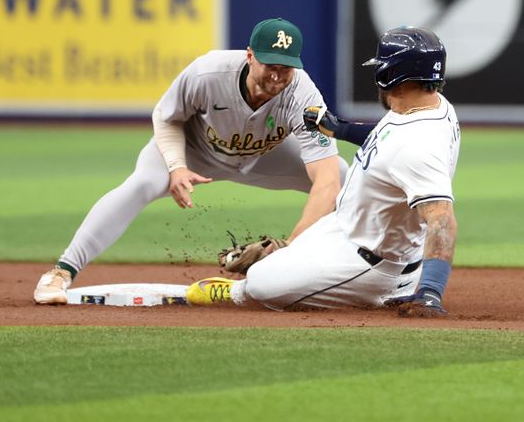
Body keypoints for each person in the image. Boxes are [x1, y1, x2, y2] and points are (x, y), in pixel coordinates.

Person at [34, 18, 347, 304]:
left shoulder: (303, 95)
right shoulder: (208, 73)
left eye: (286, 67)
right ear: (250, 56)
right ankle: (61, 272)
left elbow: (327, 180)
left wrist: (288, 249)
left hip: (263, 157)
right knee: (142, 183)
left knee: (344, 178)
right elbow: (166, 117)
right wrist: (175, 166)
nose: (278, 76)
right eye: (269, 65)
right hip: (194, 150)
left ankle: (363, 272)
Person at [185, 27, 460, 317]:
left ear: (390, 75)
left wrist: (429, 293)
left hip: (369, 260)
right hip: (350, 230)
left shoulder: (417, 147)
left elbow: (442, 219)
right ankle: (384, 279)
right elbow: (388, 139)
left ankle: (238, 293)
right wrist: (340, 128)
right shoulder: (431, 107)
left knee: (261, 283)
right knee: (286, 253)